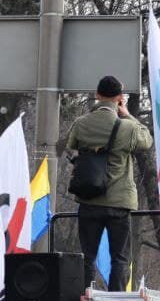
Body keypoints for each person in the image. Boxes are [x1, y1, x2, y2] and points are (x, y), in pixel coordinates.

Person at [64, 75, 154, 290]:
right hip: (118, 202)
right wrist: (128, 114)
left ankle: (85, 296)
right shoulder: (127, 128)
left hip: (89, 200)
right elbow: (146, 140)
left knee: (87, 256)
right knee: (120, 258)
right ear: (119, 98)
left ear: (97, 95)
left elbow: (71, 143)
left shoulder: (81, 124)